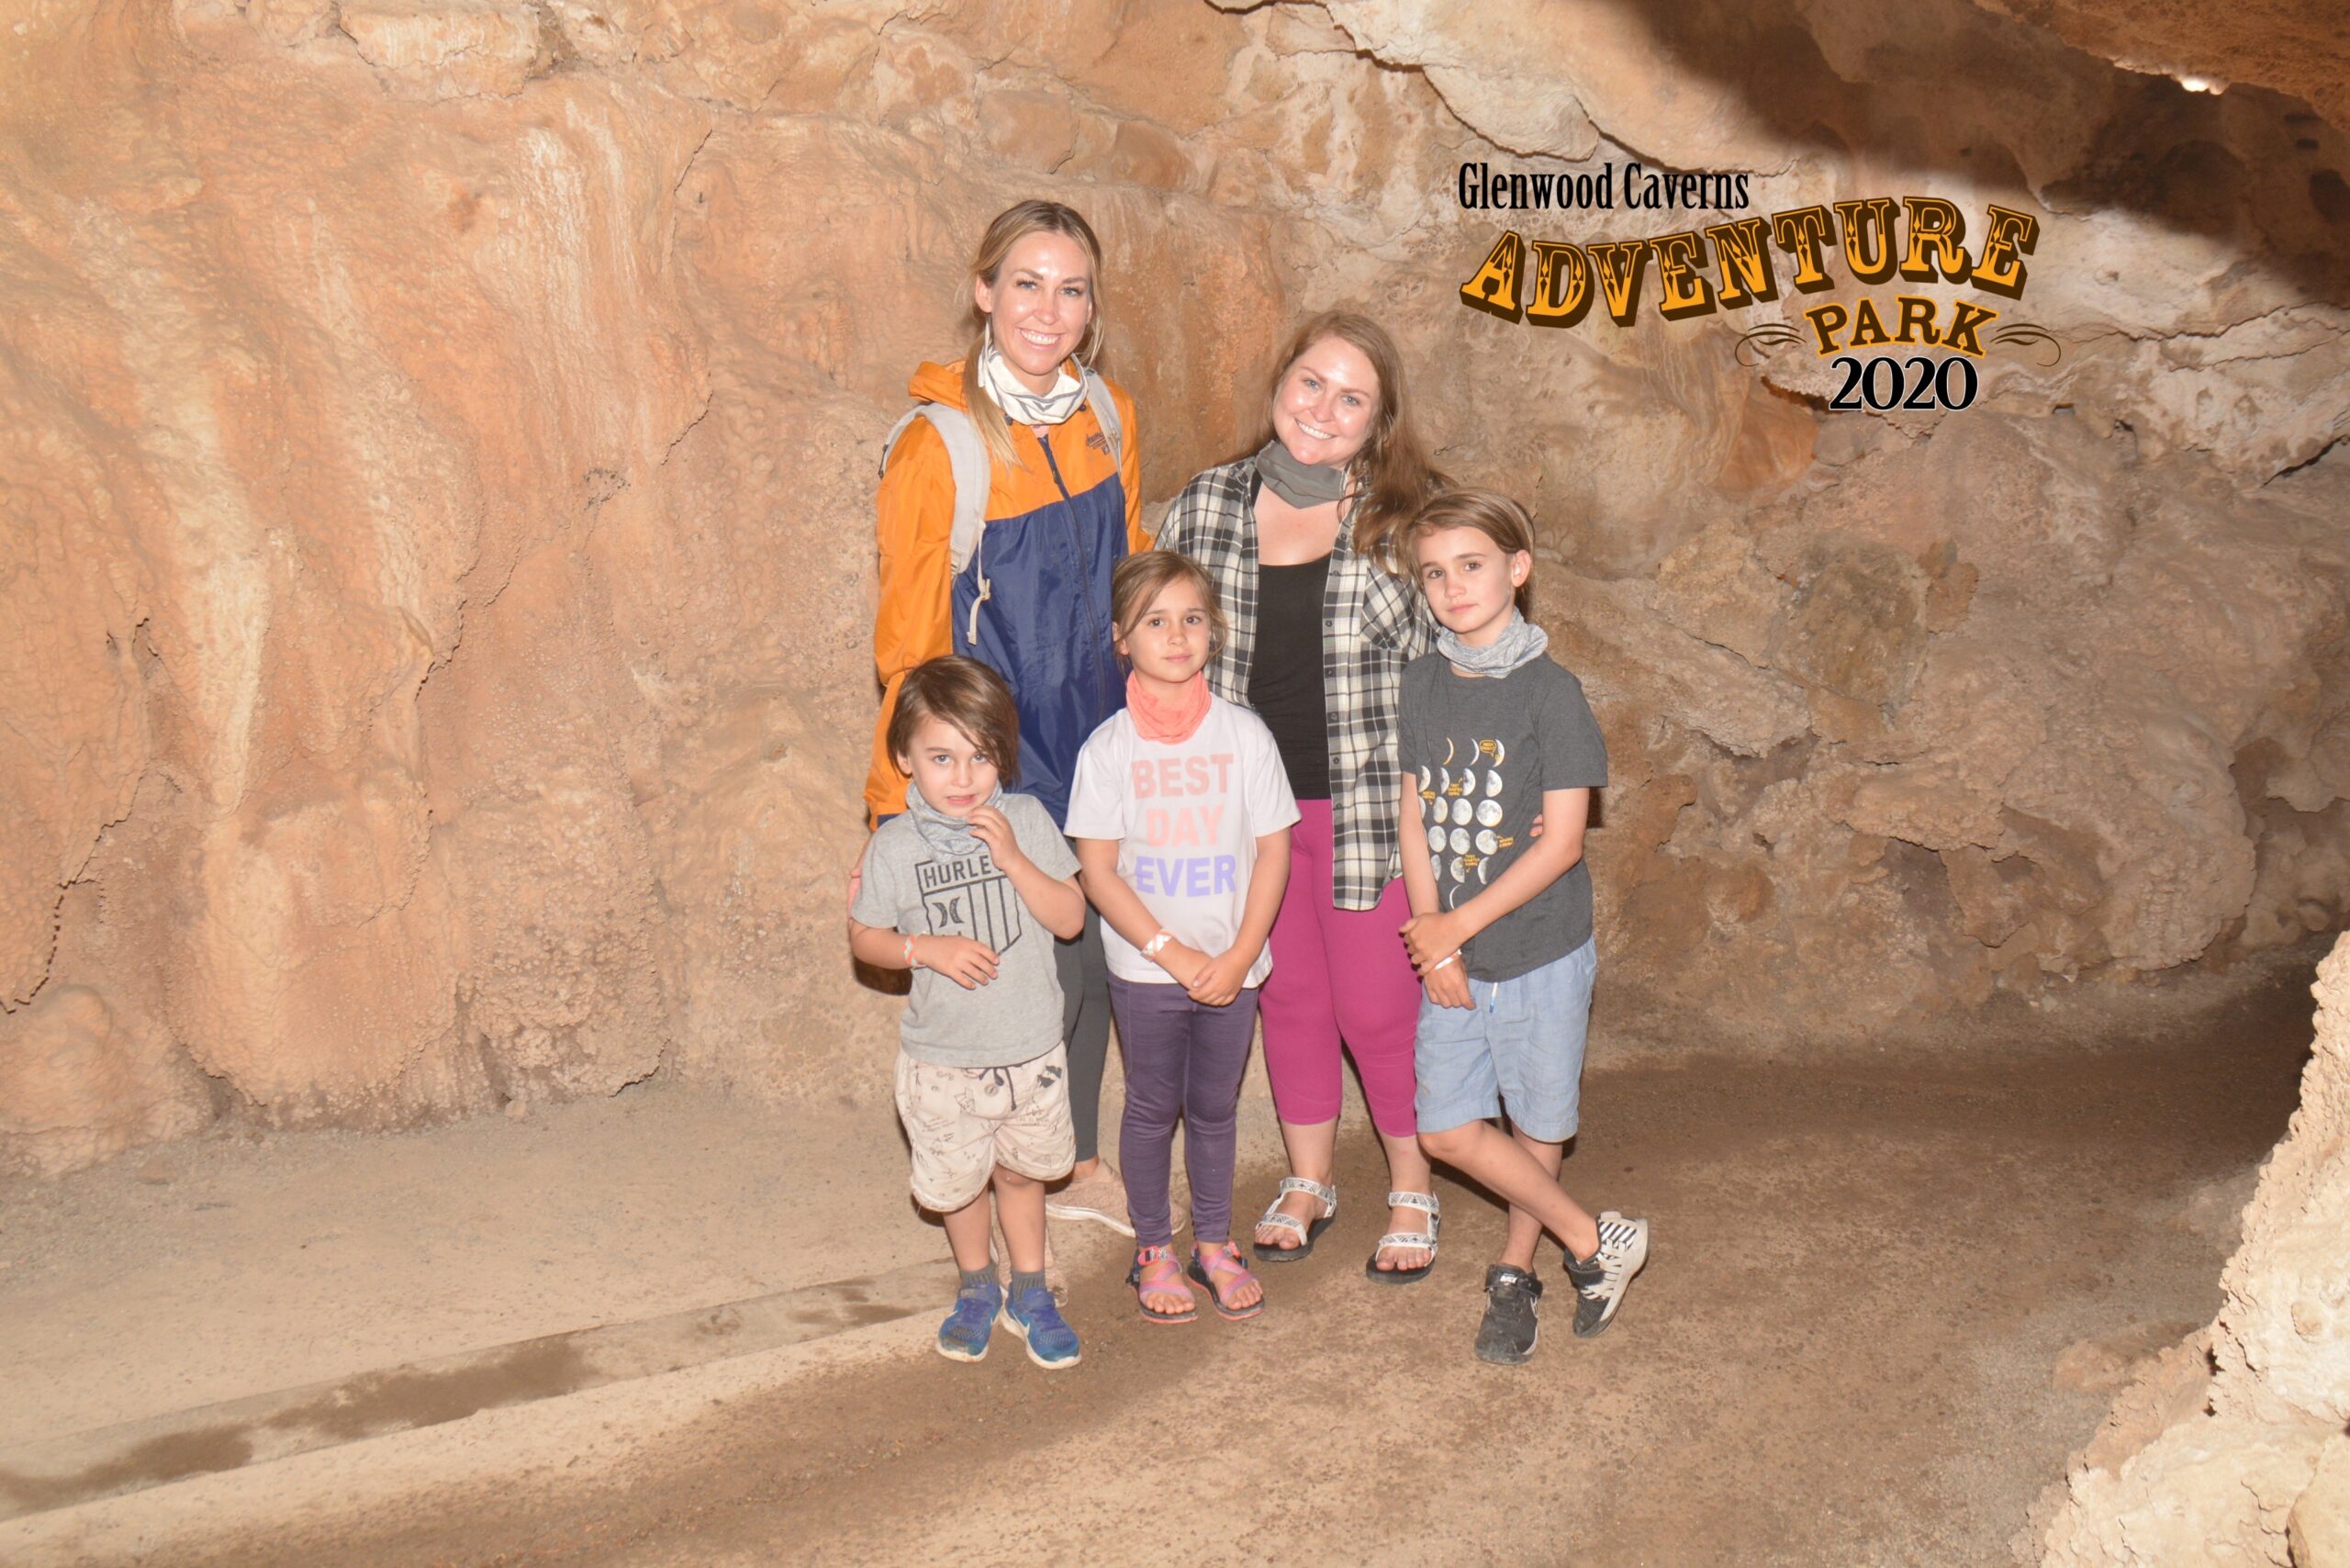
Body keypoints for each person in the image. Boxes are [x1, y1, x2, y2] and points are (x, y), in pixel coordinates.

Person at [865, 199, 1147, 1238]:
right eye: (1026, 283)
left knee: (1092, 959)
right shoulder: (938, 444)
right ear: (984, 291)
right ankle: (1027, 1160)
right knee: (1020, 963)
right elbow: (905, 638)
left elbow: (1127, 574)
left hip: (1102, 734)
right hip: (997, 751)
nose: (1049, 309)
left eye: (1071, 288)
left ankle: (1059, 1158)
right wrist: (904, 796)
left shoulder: (1106, 415)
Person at [1155, 311, 1449, 1282]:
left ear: (1379, 421)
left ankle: (1413, 1180)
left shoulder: (1408, 520)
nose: (1323, 408)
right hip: (1248, 817)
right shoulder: (1206, 503)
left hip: (1367, 810)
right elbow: (1163, 647)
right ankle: (1311, 1176)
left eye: (1351, 397)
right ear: (1280, 381)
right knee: (1286, 1000)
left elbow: (1459, 663)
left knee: (1375, 1007)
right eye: (1310, 382)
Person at [1393, 487, 1650, 1364]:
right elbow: (1415, 812)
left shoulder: (1551, 693)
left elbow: (1565, 842)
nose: (1453, 587)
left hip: (1540, 946)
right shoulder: (1422, 681)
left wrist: (1455, 922)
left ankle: (1516, 1270)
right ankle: (1592, 1239)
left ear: (1518, 569)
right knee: (1446, 1127)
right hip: (1456, 945)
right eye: (1435, 573)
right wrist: (1435, 935)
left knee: (1537, 1121)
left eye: (1472, 565)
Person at [1066, 553, 1299, 1323]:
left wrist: (1236, 957)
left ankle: (1214, 1243)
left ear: (1215, 632)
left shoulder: (1245, 736)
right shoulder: (1107, 750)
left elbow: (1274, 850)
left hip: (1233, 969)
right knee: (1150, 1106)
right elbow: (1098, 873)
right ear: (1121, 640)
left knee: (1215, 1110)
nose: (1176, 635)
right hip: (1147, 969)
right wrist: (1174, 953)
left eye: (1192, 619)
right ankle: (1152, 1248)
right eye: (1155, 621)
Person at [848, 656, 1091, 1369]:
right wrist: (926, 948)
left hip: (1030, 1052)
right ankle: (977, 1286)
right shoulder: (894, 845)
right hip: (943, 1060)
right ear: (905, 759)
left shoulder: (1024, 818)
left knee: (1021, 1175)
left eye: (980, 756)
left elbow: (1072, 918)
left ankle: (1031, 1289)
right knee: (959, 1185)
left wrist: (1016, 859)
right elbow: (865, 937)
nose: (963, 777)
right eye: (942, 757)